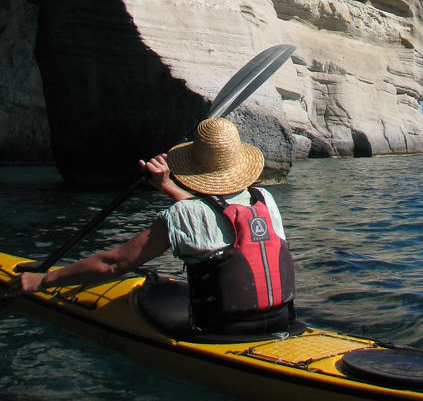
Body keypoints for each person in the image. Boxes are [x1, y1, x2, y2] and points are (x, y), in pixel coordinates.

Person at [2, 118, 296, 334]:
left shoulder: (184, 215)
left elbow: (114, 264)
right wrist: (167, 186)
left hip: (221, 332)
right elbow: (216, 214)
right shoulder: (265, 200)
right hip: (281, 321)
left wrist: (43, 281)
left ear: (193, 168)